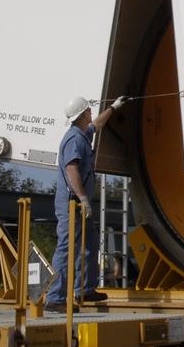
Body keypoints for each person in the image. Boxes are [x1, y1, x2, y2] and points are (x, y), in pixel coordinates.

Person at [44, 93, 124, 311]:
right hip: (72, 203)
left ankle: (84, 290)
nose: (91, 112)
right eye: (88, 110)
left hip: (79, 202)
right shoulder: (74, 140)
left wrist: (114, 107)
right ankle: (55, 298)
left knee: (89, 244)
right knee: (67, 247)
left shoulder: (82, 134)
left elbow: (96, 125)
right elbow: (72, 169)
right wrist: (83, 199)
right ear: (81, 115)